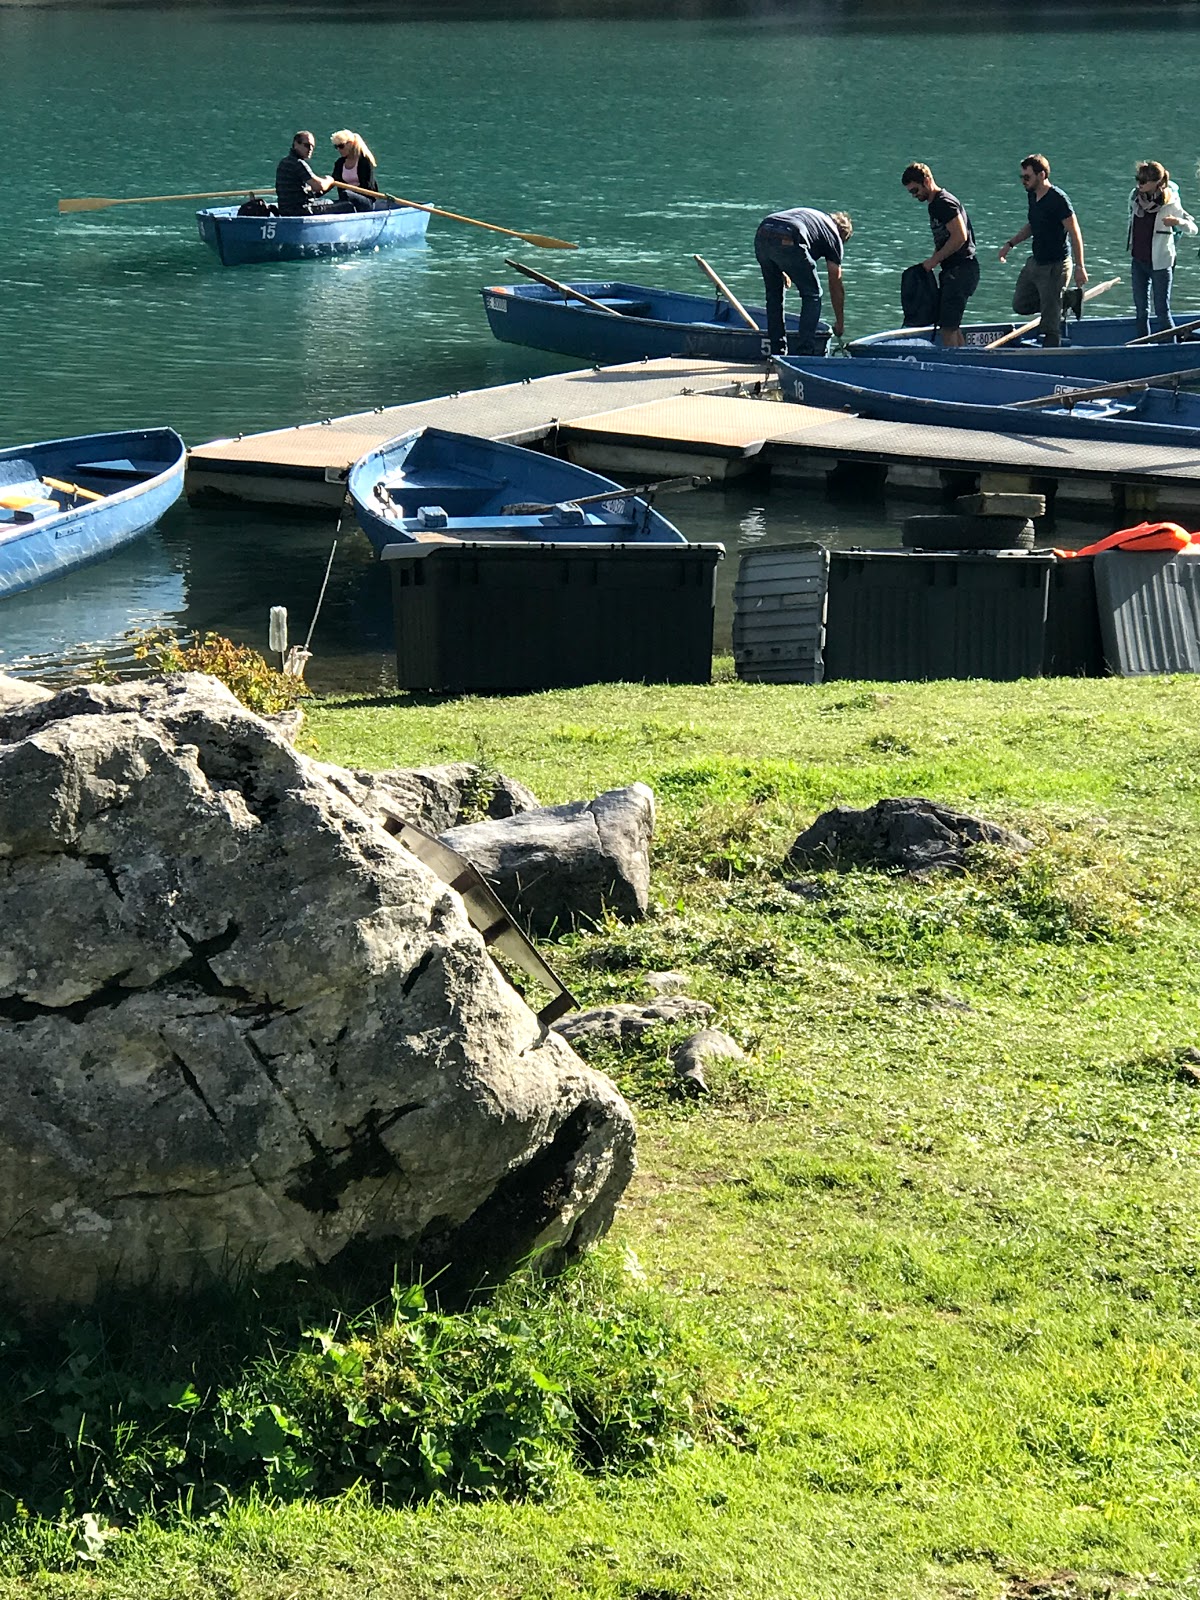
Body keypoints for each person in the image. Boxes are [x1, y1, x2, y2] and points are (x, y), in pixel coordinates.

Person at [998, 154, 1087, 348]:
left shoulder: (1058, 200)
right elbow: (1033, 224)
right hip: (1036, 261)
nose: (1023, 181)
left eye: (1027, 177)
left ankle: (1050, 353)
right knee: (1020, 304)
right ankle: (1067, 299)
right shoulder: (1032, 195)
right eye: (1021, 177)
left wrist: (1080, 267)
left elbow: (1075, 232)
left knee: (1050, 324)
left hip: (1056, 265)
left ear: (1042, 175)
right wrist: (1010, 244)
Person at [754, 206, 852, 356]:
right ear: (843, 236)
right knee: (812, 295)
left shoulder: (815, 218)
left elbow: (779, 241)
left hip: (764, 230)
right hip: (791, 234)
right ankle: (805, 353)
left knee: (774, 296)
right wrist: (840, 322)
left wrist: (783, 267)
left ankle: (777, 352)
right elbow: (835, 283)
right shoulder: (834, 236)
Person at [899, 163, 979, 347]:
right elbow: (945, 239)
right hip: (954, 270)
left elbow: (959, 236)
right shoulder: (935, 205)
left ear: (927, 181)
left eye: (915, 190)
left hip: (961, 270)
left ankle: (953, 361)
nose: (914, 195)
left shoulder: (943, 202)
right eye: (911, 192)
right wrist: (932, 261)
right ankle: (962, 356)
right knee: (950, 325)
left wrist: (934, 261)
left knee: (948, 328)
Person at [1126, 160, 1196, 339]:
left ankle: (1172, 347)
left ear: (1157, 182)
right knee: (1141, 311)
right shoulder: (1135, 197)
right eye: (1138, 179)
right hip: (1138, 261)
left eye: (1144, 181)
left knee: (1162, 311)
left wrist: (1177, 222)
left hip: (1160, 264)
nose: (1139, 184)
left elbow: (1193, 229)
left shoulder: (1170, 202)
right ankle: (1142, 347)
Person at [275, 130, 337, 217]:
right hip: (302, 209)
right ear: (296, 144)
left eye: (312, 147)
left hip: (284, 210)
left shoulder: (283, 162)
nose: (310, 149)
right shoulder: (298, 163)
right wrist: (329, 180)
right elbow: (319, 186)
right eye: (307, 145)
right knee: (345, 205)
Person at [331, 130, 379, 211]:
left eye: (341, 146)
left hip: (366, 201)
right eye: (336, 147)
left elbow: (368, 186)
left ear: (350, 144)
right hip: (346, 201)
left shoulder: (364, 162)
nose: (339, 150)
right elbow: (332, 182)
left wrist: (351, 191)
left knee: (346, 193)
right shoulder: (340, 163)